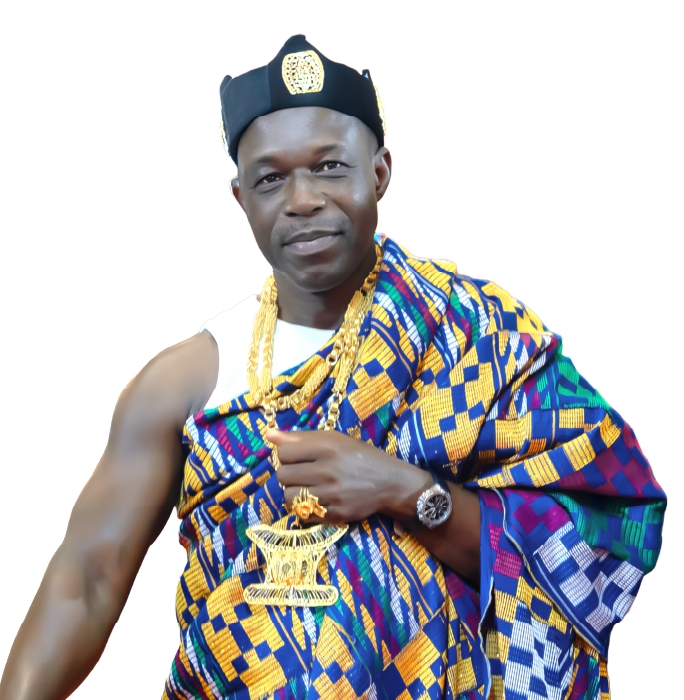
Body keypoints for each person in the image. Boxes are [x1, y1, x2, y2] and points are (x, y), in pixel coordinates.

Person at [0, 33, 667, 700]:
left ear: (380, 172)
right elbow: (88, 578)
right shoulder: (182, 385)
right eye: (271, 178)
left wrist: (409, 492)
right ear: (240, 198)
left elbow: (610, 532)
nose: (303, 199)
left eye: (328, 167)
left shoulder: (480, 336)